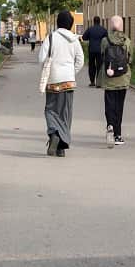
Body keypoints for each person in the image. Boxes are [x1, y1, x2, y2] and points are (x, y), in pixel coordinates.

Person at [38, 10, 85, 157]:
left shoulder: (51, 37)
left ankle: (54, 135)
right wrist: (71, 72)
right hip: (69, 81)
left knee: (51, 110)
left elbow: (41, 58)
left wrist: (50, 70)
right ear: (71, 24)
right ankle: (61, 148)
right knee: (65, 114)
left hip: (53, 80)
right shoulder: (74, 40)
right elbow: (80, 61)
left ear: (58, 22)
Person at [98, 15, 132, 147]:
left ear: (110, 26)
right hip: (123, 78)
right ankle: (118, 135)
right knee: (119, 106)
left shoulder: (105, 41)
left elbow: (102, 56)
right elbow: (130, 59)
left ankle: (110, 125)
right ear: (122, 26)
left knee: (109, 104)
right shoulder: (127, 41)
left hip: (109, 77)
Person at [81, 16, 108, 88]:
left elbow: (84, 37)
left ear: (93, 21)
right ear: (100, 21)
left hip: (91, 50)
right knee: (99, 66)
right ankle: (99, 83)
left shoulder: (90, 29)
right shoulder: (103, 30)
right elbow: (107, 39)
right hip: (100, 50)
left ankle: (92, 82)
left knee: (92, 66)